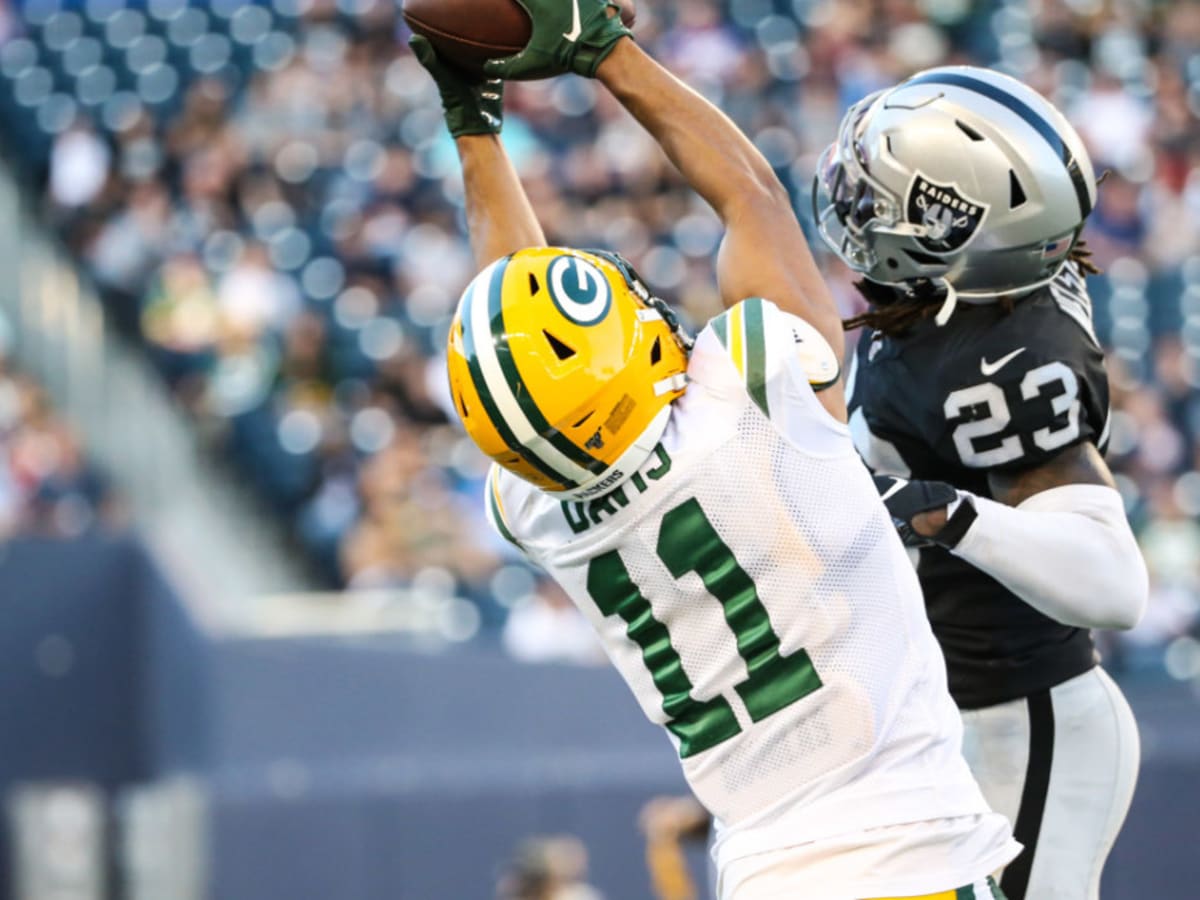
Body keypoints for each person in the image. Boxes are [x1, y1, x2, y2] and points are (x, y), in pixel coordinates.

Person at [415, 5, 1020, 898]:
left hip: (763, 872)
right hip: (905, 856)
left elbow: (512, 339)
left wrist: (474, 125)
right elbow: (750, 196)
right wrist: (607, 54)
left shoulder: (535, 503)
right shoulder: (750, 390)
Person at [813, 67, 1149, 900]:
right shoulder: (950, 307)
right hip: (959, 712)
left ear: (955, 229)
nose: (855, 205)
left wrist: (945, 514)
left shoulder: (997, 360)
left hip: (1025, 718)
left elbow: (1114, 585)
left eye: (880, 193)